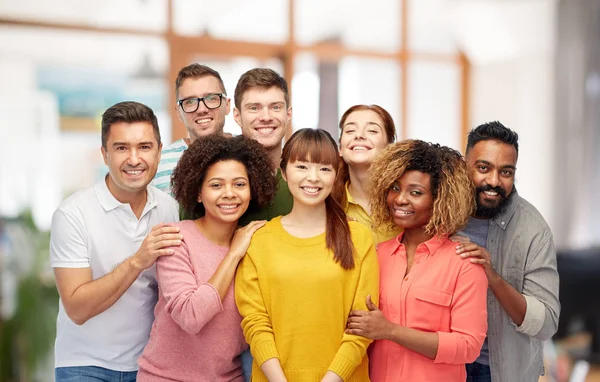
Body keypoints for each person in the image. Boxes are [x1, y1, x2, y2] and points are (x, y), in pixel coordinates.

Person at [235, 128, 379, 382]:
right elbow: (255, 322)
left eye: (324, 169)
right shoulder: (259, 240)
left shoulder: (359, 237)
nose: (313, 178)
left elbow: (362, 326)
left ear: (335, 176)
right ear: (283, 172)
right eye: (301, 166)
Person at [50, 101, 180, 381]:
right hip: (84, 365)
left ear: (159, 152)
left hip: (149, 365)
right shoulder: (73, 215)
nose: (134, 159)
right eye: (122, 148)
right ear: (105, 155)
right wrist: (138, 260)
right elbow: (77, 308)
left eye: (144, 147)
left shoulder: (170, 209)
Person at [137, 135, 278, 381]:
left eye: (239, 184)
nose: (229, 194)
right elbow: (191, 316)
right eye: (216, 185)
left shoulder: (258, 244)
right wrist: (234, 254)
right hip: (165, 377)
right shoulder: (176, 238)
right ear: (199, 193)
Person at [346, 140, 488, 382]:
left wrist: (390, 331)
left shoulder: (465, 263)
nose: (400, 199)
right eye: (394, 188)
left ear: (440, 199)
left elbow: (468, 346)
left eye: (415, 192)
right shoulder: (376, 255)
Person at [456, 121, 560, 382]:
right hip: (446, 362)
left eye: (506, 172)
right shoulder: (441, 214)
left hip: (499, 370)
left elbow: (547, 322)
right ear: (464, 165)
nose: (493, 181)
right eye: (483, 168)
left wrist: (493, 278)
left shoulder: (533, 230)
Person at [152, 63, 231, 196]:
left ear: (227, 105)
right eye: (190, 102)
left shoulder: (250, 154)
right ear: (178, 113)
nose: (201, 109)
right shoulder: (158, 165)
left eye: (211, 98)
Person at [233, 68, 294, 224]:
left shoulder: (306, 175)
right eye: (254, 108)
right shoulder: (217, 175)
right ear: (237, 116)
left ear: (288, 115)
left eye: (275, 107)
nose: (266, 117)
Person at [333, 104, 401, 244]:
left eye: (372, 130)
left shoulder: (406, 201)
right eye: (350, 130)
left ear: (389, 148)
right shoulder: (328, 204)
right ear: (340, 148)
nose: (359, 135)